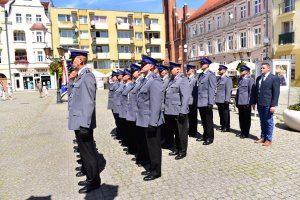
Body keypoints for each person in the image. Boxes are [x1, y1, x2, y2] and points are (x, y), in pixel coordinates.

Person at [68, 48, 100, 193]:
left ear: (80, 60)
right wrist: (71, 80)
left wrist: (85, 125)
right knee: (84, 151)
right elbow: (72, 97)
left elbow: (88, 103)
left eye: (73, 59)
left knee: (88, 151)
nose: (71, 61)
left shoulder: (87, 77)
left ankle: (93, 181)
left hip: (83, 122)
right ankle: (89, 175)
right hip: (78, 120)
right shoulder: (80, 76)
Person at [136, 55, 164, 181]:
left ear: (151, 66)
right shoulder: (144, 80)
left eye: (144, 64)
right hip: (144, 119)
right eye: (141, 64)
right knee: (148, 146)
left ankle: (156, 171)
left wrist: (153, 122)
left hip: (151, 120)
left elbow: (156, 103)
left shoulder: (155, 80)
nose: (141, 66)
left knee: (154, 147)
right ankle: (151, 167)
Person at [164, 62, 190, 160]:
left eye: (172, 69)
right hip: (171, 111)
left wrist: (183, 111)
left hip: (179, 111)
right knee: (175, 131)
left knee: (181, 132)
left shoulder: (183, 80)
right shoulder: (171, 80)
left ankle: (182, 151)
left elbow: (185, 96)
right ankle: (177, 148)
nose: (170, 71)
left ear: (178, 70)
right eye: (170, 69)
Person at [126, 64, 148, 165]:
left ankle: (143, 157)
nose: (132, 74)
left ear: (138, 72)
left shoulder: (141, 81)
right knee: (138, 137)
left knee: (141, 138)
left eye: (133, 72)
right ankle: (140, 155)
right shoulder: (136, 82)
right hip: (134, 113)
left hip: (138, 113)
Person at [254, 63, 280, 146]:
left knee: (268, 121)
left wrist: (273, 105)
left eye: (263, 68)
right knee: (262, 121)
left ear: (269, 69)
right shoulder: (258, 78)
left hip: (268, 104)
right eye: (261, 68)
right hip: (260, 103)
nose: (261, 69)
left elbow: (276, 92)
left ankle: (268, 139)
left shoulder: (274, 78)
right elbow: (257, 92)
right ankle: (263, 137)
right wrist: (255, 102)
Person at [196, 58, 217, 145]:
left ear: (207, 65)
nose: (201, 65)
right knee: (204, 120)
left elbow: (212, 89)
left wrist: (210, 102)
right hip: (200, 101)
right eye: (201, 63)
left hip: (206, 101)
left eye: (203, 63)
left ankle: (210, 137)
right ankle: (205, 135)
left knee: (208, 121)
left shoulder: (210, 75)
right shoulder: (200, 75)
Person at [235, 65, 256, 139]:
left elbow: (251, 92)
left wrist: (250, 102)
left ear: (247, 71)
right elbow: (238, 91)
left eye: (242, 70)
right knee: (241, 118)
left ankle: (246, 133)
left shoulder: (250, 80)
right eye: (240, 70)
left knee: (246, 119)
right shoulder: (240, 79)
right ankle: (242, 131)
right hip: (240, 102)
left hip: (246, 102)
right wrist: (236, 101)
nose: (240, 72)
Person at [215, 65, 233, 132]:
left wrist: (227, 99)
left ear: (224, 70)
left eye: (220, 69)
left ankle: (226, 126)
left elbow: (228, 90)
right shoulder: (219, 79)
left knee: (225, 114)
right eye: (219, 69)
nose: (219, 71)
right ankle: (222, 125)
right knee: (221, 113)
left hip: (224, 99)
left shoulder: (228, 79)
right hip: (219, 99)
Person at [185, 64, 198, 137]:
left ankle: (193, 131)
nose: (186, 70)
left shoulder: (194, 79)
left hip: (192, 101)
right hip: (187, 101)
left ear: (192, 70)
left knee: (193, 117)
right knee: (189, 117)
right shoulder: (187, 79)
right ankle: (190, 130)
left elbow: (195, 92)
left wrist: (195, 102)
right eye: (186, 69)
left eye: (188, 69)